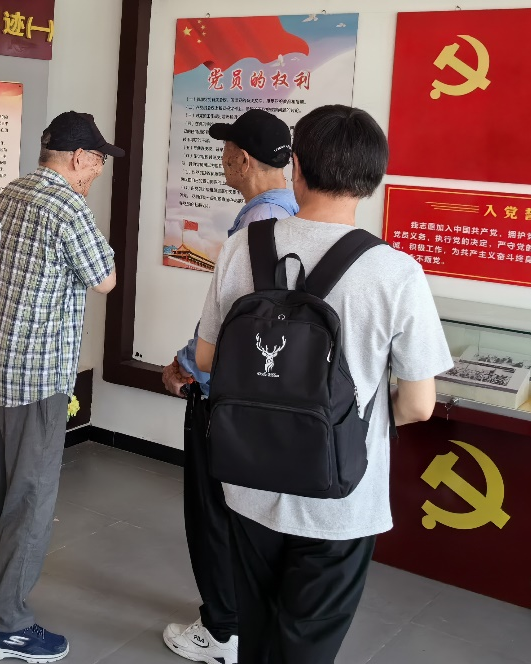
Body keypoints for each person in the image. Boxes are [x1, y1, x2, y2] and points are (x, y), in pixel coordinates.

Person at [193, 105, 451, 664]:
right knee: (306, 644)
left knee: (257, 632)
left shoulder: (243, 247)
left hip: (249, 481)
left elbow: (208, 357)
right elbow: (418, 404)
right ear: (373, 179)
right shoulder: (394, 271)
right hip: (341, 496)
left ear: (298, 166)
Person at [0, 111, 120, 663]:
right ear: (79, 158)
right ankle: (5, 624)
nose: (98, 171)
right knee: (30, 501)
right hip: (35, 378)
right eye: (98, 162)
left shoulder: (12, 191)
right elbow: (105, 278)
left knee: (3, 491)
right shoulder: (67, 205)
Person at [161, 109, 299, 664]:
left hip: (226, 395)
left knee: (212, 514)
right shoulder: (294, 213)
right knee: (246, 514)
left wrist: (185, 366)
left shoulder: (255, 225)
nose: (222, 160)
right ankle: (246, 617)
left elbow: (226, 318)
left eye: (226, 151)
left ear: (242, 159)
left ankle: (222, 630)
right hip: (270, 393)